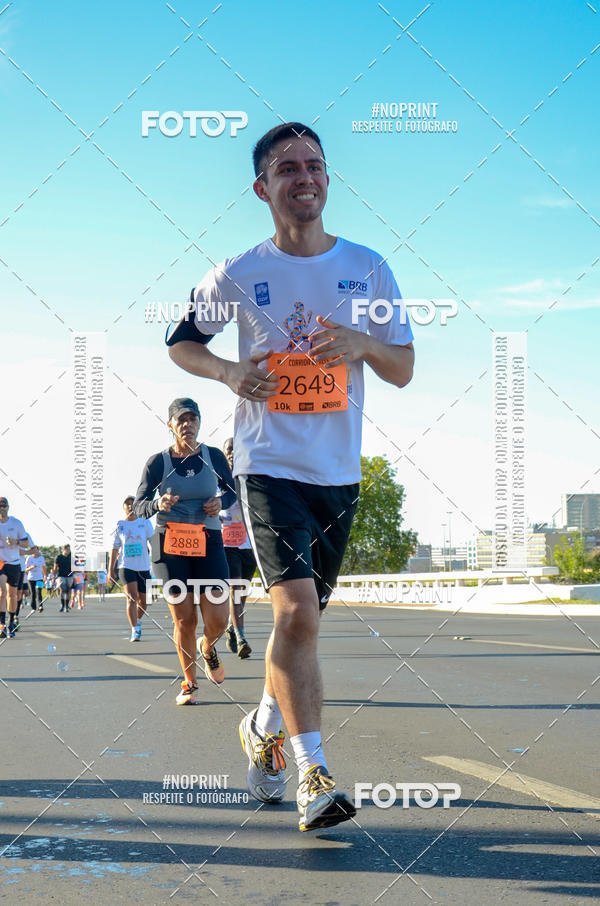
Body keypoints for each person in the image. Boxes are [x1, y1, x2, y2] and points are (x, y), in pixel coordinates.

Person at [167, 123, 414, 831]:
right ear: (262, 188)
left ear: (328, 179)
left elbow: (402, 366)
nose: (304, 177)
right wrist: (227, 371)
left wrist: (364, 342)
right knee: (296, 614)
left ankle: (262, 727)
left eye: (315, 165)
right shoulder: (240, 272)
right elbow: (182, 341)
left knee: (300, 626)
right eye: (287, 168)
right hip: (268, 464)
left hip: (338, 472)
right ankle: (314, 774)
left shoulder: (367, 268)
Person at [133, 398, 235, 704]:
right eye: (181, 420)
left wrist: (220, 503)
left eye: (193, 419)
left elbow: (232, 491)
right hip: (169, 546)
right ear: (170, 425)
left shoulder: (213, 456)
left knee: (218, 618)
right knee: (185, 620)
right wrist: (156, 504)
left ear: (200, 423)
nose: (187, 424)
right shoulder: (157, 463)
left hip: (208, 541)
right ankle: (189, 682)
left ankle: (209, 646)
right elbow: (138, 506)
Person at [220, 437, 256, 659]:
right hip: (227, 544)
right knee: (234, 590)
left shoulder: (249, 478)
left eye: (236, 449)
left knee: (241, 593)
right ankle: (242, 637)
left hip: (249, 544)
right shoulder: (217, 480)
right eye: (229, 449)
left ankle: (232, 627)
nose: (233, 453)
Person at [109, 497, 154, 642]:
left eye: (133, 504)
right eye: (127, 504)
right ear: (124, 508)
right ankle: (134, 629)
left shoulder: (145, 522)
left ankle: (138, 620)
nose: (130, 506)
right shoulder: (120, 525)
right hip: (126, 566)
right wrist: (111, 571)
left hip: (143, 567)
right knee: (131, 597)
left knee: (144, 601)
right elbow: (115, 549)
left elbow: (153, 542)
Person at [0, 498, 32, 638]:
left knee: (12, 595)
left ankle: (11, 622)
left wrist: (15, 541)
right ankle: (1, 624)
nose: (2, 508)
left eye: (4, 506)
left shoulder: (16, 523)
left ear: (8, 507)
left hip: (14, 563)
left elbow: (26, 543)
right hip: (1, 563)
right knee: (2, 592)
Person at [25, 546, 46, 612]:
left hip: (39, 577)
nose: (35, 552)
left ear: (38, 551)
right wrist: (31, 567)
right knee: (33, 593)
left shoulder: (41, 558)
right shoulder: (29, 558)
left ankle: (40, 606)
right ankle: (33, 607)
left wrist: (45, 575)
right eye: (33, 550)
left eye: (36, 550)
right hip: (31, 578)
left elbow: (43, 567)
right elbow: (25, 569)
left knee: (39, 592)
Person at [54, 544, 73, 613]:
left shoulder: (71, 557)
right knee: (62, 589)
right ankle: (62, 605)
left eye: (69, 549)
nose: (68, 551)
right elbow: (55, 568)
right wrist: (54, 577)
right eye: (67, 549)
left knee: (68, 590)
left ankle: (67, 606)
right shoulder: (59, 557)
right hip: (61, 576)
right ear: (64, 549)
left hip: (70, 576)